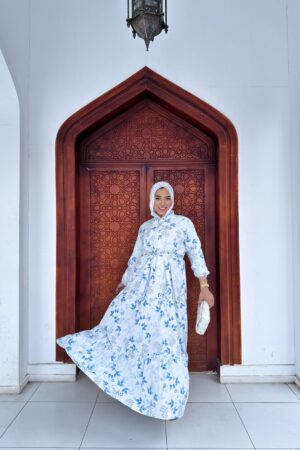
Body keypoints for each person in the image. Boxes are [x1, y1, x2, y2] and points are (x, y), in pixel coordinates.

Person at [56, 180, 214, 420]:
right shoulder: (145, 228)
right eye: (158, 198)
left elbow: (196, 253)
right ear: (152, 201)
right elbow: (136, 257)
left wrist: (204, 286)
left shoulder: (183, 224)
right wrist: (126, 280)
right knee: (141, 335)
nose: (163, 203)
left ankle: (168, 401)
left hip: (170, 292)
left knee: (168, 339)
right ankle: (144, 392)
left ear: (173, 201)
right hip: (142, 288)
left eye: (167, 198)